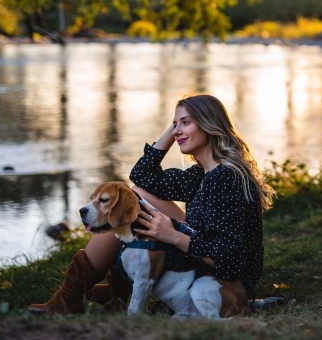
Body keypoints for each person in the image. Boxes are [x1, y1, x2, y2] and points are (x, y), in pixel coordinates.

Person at [27, 94, 276, 315]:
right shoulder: (200, 175)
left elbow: (229, 259)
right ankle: (117, 289)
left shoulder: (225, 178)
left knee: (128, 207)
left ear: (210, 125)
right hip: (204, 251)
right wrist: (172, 131)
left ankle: (76, 297)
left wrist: (172, 235)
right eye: (174, 124)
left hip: (225, 280)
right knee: (135, 196)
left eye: (186, 122)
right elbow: (142, 176)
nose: (177, 131)